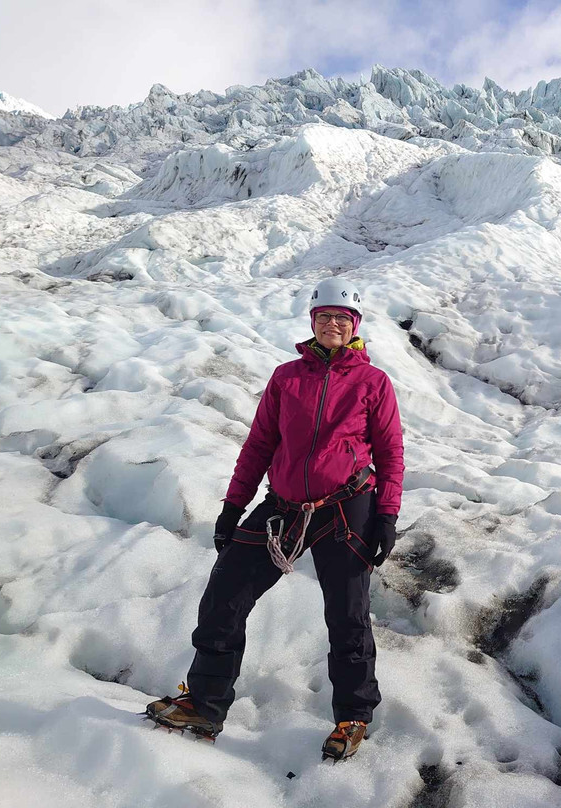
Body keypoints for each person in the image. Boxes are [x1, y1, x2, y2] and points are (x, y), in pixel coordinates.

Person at [145, 277, 404, 761]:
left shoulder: (373, 382)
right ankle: (205, 704)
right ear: (312, 322)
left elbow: (390, 453)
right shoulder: (287, 377)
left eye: (341, 319)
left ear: (355, 328)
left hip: (348, 508)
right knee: (225, 593)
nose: (332, 324)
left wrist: (386, 516)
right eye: (324, 317)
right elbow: (260, 444)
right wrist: (233, 506)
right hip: (283, 506)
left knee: (347, 615)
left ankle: (353, 716)